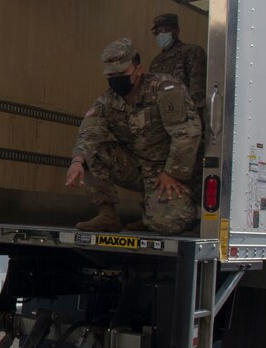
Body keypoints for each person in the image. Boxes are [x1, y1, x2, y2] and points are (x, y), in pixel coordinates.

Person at [65, 38, 202, 235]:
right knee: (91, 154)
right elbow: (90, 131)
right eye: (111, 75)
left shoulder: (165, 89)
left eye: (121, 74)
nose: (115, 79)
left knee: (168, 224)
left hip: (168, 169)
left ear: (138, 70)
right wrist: (77, 161)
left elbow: (187, 133)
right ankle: (107, 216)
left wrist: (173, 172)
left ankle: (154, 215)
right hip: (136, 166)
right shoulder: (108, 101)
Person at [148, 12, 208, 116]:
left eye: (165, 30)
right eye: (158, 32)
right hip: (161, 119)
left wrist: (196, 122)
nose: (161, 34)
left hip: (186, 118)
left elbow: (197, 92)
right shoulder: (156, 62)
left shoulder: (191, 52)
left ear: (177, 31)